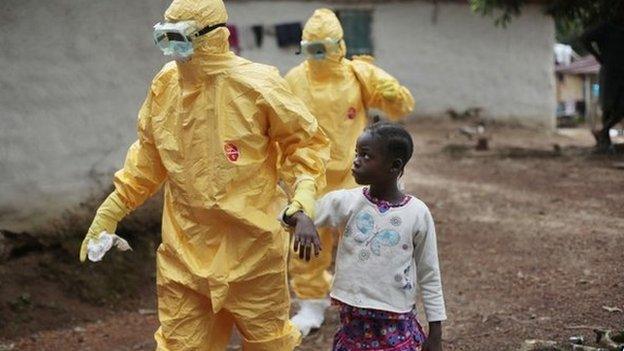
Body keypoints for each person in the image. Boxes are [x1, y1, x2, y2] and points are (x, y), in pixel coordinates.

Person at [78, 0, 330, 350]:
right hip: (185, 255)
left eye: (178, 37)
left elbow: (304, 144)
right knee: (180, 345)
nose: (171, 49)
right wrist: (113, 208)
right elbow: (148, 157)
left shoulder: (258, 85)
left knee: (268, 343)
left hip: (252, 252)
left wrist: (303, 195)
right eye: (163, 37)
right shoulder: (166, 85)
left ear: (211, 37)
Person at [285, 8, 415, 335]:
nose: (318, 56)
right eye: (311, 48)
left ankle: (365, 300)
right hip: (309, 178)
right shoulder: (293, 80)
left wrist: (388, 91)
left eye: (323, 48)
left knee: (363, 240)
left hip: (354, 175)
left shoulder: (357, 74)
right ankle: (311, 303)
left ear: (338, 46)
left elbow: (401, 107)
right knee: (307, 245)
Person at [287, 122, 446, 351]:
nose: (356, 160)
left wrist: (436, 334)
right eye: (357, 153)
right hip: (352, 323)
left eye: (366, 155)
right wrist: (301, 219)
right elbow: (287, 216)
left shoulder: (417, 214)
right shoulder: (346, 202)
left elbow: (429, 274)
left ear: (394, 166)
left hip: (396, 323)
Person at [580, 7, 624, 151]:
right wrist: (598, 56)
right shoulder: (606, 28)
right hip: (610, 72)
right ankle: (604, 142)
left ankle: (603, 132)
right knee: (608, 107)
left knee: (620, 107)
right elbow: (584, 38)